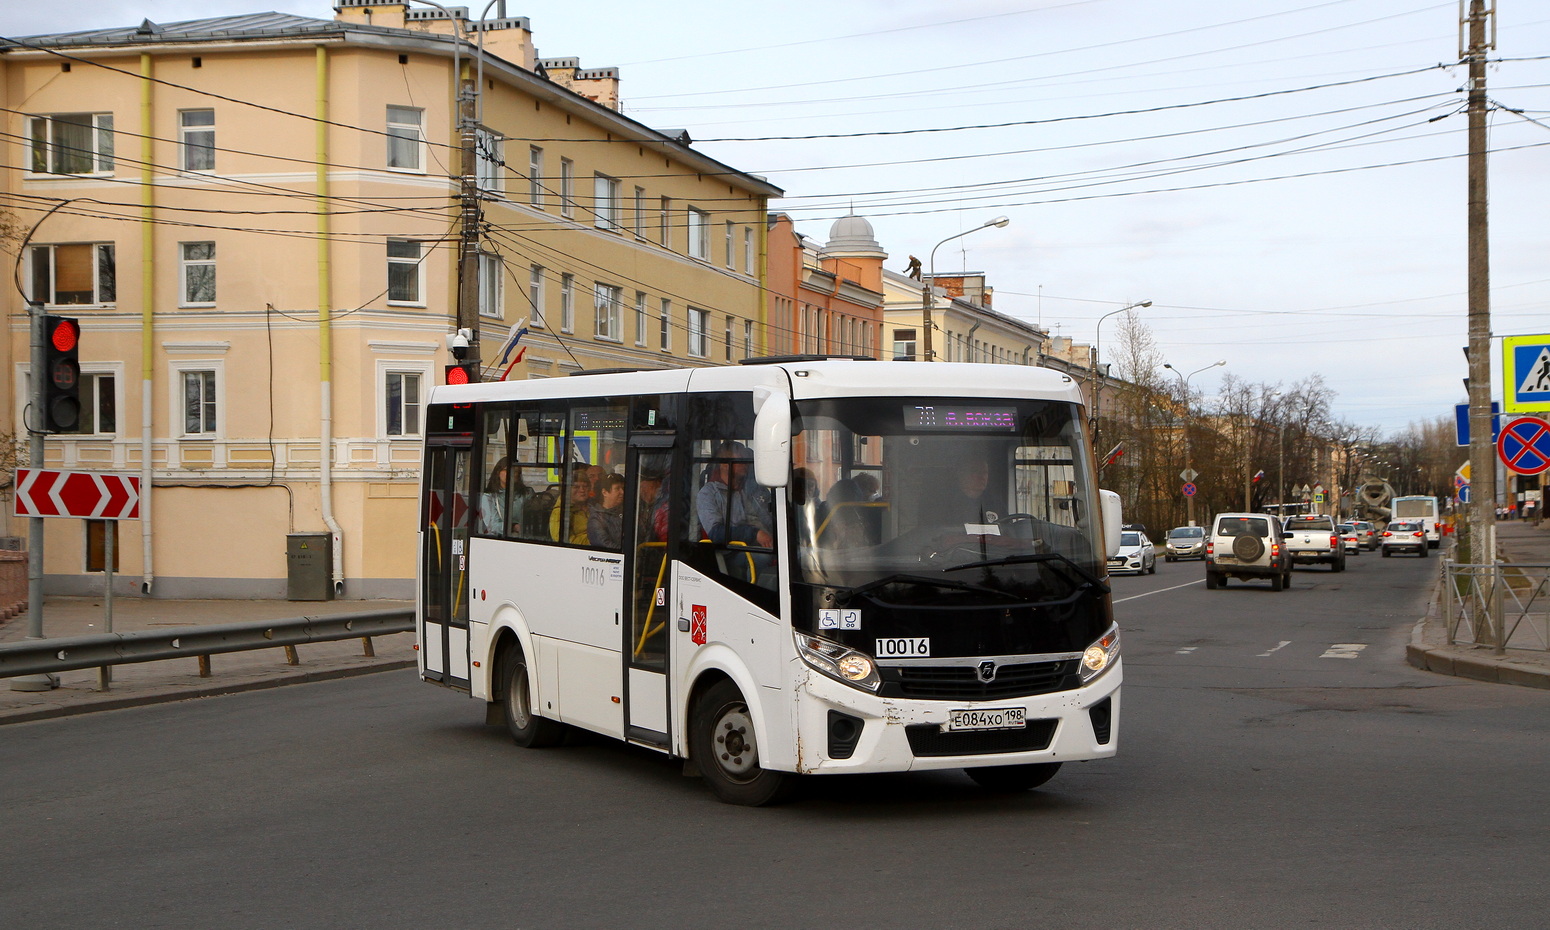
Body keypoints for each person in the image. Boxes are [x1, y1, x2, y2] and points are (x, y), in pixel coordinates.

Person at [695, 441, 772, 548]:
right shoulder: (708, 494)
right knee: (765, 558)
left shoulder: (748, 489)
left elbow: (763, 518)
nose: (745, 463)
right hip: (730, 552)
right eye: (740, 459)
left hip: (757, 544)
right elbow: (716, 533)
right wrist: (754, 534)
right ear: (725, 465)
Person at [551, 468, 594, 544]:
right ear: (567, 490)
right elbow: (564, 542)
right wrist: (595, 540)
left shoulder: (593, 506)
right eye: (576, 487)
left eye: (585, 486)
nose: (582, 490)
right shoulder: (560, 512)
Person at [587, 473, 626, 549]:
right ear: (604, 492)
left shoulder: (627, 511)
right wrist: (628, 552)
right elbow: (605, 546)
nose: (622, 492)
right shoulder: (597, 519)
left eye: (623, 488)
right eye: (617, 489)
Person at [480, 457, 512, 536]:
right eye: (506, 470)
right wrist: (513, 527)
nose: (511, 474)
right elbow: (492, 525)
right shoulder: (489, 497)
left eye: (516, 472)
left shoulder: (525, 493)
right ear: (498, 472)